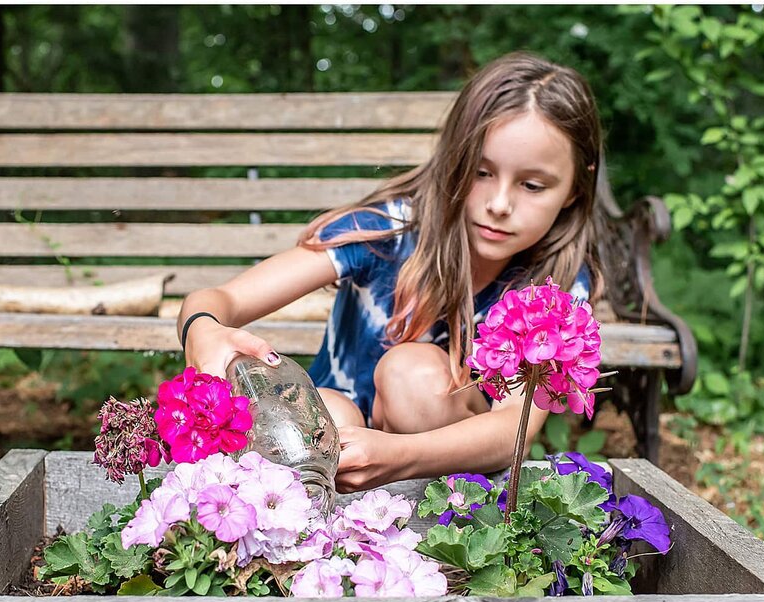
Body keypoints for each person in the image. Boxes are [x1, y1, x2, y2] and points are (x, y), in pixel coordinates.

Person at [177, 51, 605, 494]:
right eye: (480, 172)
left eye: (532, 185)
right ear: (453, 159)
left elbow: (511, 431)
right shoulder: (388, 231)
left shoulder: (554, 288)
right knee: (328, 416)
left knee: (410, 374)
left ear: (576, 185)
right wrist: (203, 330)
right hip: (335, 431)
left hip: (436, 461)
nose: (499, 203)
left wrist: (396, 455)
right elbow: (218, 301)